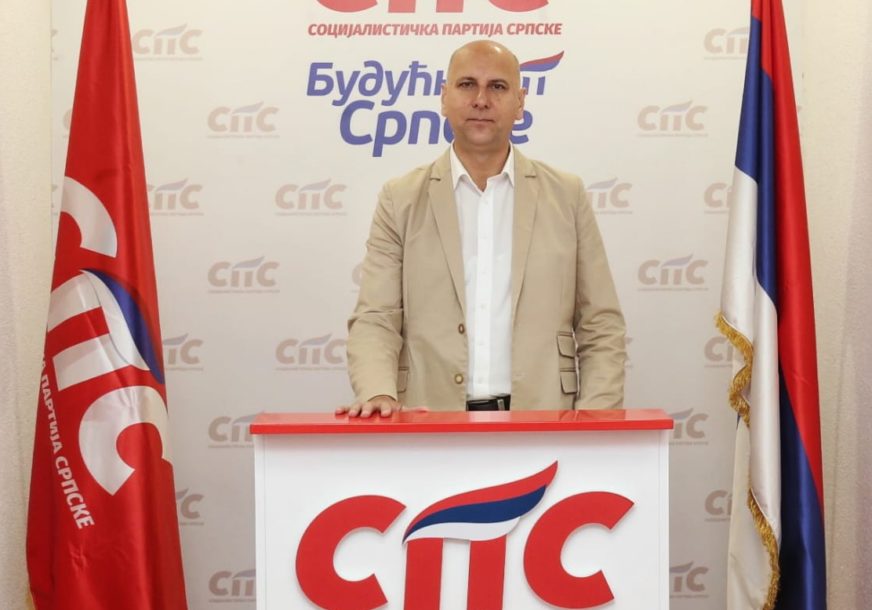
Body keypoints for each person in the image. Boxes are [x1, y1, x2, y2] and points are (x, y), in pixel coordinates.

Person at [339, 40, 625, 417]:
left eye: (498, 87)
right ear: (444, 97)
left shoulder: (567, 196)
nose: (481, 100)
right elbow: (376, 317)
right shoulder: (400, 199)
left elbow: (600, 325)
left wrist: (595, 419)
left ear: (520, 102)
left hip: (545, 423)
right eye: (467, 84)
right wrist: (379, 391)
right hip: (429, 424)